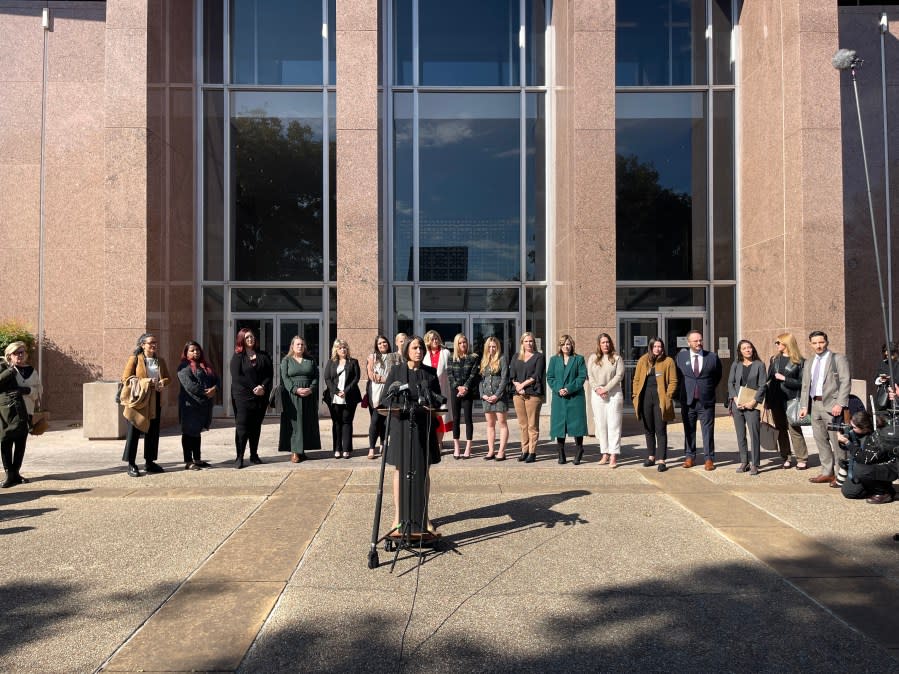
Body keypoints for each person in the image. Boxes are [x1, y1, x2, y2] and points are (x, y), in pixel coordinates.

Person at [383, 335, 442, 532]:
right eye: (415, 347)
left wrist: (430, 403)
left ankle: (424, 517)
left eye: (421, 348)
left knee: (423, 470)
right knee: (400, 469)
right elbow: (385, 399)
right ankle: (398, 517)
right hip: (402, 427)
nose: (419, 351)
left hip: (423, 428)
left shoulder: (430, 373)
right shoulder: (396, 371)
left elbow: (438, 401)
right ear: (407, 349)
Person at [799, 330, 851, 485]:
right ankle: (827, 472)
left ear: (826, 342)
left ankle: (842, 474)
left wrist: (840, 404)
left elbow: (845, 381)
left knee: (838, 441)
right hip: (815, 405)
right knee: (820, 440)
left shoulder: (838, 358)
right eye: (814, 343)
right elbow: (805, 385)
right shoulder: (809, 362)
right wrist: (803, 405)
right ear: (810, 344)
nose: (818, 346)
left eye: (821, 342)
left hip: (833, 405)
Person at [121, 332, 170, 477]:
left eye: (155, 342)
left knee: (153, 431)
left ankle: (150, 462)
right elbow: (125, 378)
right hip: (139, 400)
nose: (154, 345)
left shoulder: (160, 360)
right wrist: (146, 382)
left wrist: (163, 382)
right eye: (151, 343)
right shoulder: (135, 359)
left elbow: (168, 377)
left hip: (155, 398)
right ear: (143, 345)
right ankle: (131, 463)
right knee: (134, 431)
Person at [676, 330, 723, 470]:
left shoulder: (712, 357)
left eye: (700, 340)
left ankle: (709, 459)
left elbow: (717, 376)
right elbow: (678, 376)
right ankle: (689, 456)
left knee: (708, 430)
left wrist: (706, 388)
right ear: (688, 342)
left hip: (706, 401)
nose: (699, 343)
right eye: (695, 341)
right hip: (688, 401)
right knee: (688, 429)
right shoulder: (681, 356)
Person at [631, 338, 678, 472]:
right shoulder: (643, 360)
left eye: (660, 346)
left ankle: (662, 460)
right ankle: (651, 457)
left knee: (660, 429)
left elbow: (673, 381)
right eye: (655, 346)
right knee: (648, 429)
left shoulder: (668, 361)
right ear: (651, 347)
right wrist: (635, 395)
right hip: (645, 398)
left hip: (660, 400)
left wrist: (668, 396)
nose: (658, 349)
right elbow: (636, 379)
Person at [230, 328, 273, 469]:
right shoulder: (237, 357)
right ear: (242, 339)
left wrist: (262, 387)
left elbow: (269, 374)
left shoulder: (263, 355)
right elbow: (237, 377)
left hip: (260, 396)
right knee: (242, 427)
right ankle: (239, 457)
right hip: (242, 396)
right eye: (247, 337)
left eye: (252, 337)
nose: (250, 339)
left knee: (256, 426)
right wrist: (254, 387)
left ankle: (254, 455)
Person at [766, 332, 809, 469]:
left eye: (778, 342)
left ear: (786, 343)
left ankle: (802, 458)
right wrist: (767, 399)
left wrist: (785, 379)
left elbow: (803, 383)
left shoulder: (800, 361)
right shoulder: (774, 360)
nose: (776, 345)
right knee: (780, 429)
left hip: (791, 399)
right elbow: (769, 380)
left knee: (794, 429)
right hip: (776, 399)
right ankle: (786, 457)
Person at [0, 342, 40, 487]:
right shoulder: (4, 369)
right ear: (9, 355)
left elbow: (38, 390)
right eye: (17, 352)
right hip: (7, 413)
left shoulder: (32, 371)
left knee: (20, 443)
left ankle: (16, 473)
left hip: (26, 411)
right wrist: (10, 370)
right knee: (5, 442)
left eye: (22, 352)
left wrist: (26, 390)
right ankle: (8, 474)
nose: (20, 355)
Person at [727, 340, 767, 476]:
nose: (747, 350)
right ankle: (744, 462)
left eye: (749, 347)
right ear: (740, 351)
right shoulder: (736, 364)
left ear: (753, 349)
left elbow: (763, 385)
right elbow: (730, 383)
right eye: (744, 348)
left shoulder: (760, 365)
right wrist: (735, 398)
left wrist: (754, 401)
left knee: (754, 434)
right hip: (737, 403)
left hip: (752, 404)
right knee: (740, 434)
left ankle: (755, 464)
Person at [838, 410, 897, 504]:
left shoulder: (877, 437)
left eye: (854, 427)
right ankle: (873, 488)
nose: (851, 429)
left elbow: (863, 458)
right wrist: (845, 441)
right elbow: (854, 450)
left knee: (860, 469)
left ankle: (884, 492)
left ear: (865, 428)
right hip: (871, 469)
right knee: (849, 492)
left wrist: (848, 443)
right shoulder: (863, 432)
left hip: (886, 468)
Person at [177, 341, 218, 470]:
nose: (196, 352)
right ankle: (188, 461)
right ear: (186, 353)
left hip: (203, 406)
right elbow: (190, 386)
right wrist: (207, 393)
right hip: (190, 406)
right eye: (192, 350)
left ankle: (198, 459)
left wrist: (215, 388)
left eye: (197, 350)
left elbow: (216, 379)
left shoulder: (205, 366)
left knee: (197, 432)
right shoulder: (183, 367)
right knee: (189, 432)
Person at [547, 334, 588, 465]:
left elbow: (581, 377)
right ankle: (560, 453)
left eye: (568, 344)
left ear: (572, 345)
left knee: (576, 425)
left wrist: (568, 389)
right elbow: (550, 377)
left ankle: (579, 449)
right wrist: (559, 388)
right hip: (559, 397)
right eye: (564, 344)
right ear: (560, 346)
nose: (566, 346)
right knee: (560, 425)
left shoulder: (578, 359)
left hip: (574, 397)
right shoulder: (554, 360)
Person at [280, 335, 321, 463]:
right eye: (297, 344)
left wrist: (311, 389)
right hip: (292, 396)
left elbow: (316, 376)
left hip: (308, 395)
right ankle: (294, 452)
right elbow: (285, 378)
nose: (300, 346)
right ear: (292, 346)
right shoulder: (286, 360)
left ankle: (302, 450)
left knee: (306, 422)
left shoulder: (310, 360)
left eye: (302, 344)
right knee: (295, 423)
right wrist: (295, 389)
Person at [587, 333, 624, 467]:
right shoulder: (593, 358)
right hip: (597, 395)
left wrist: (606, 389)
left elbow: (619, 376)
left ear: (611, 343)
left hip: (614, 394)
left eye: (607, 342)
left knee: (614, 425)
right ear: (599, 344)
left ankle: (613, 455)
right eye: (603, 342)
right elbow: (590, 376)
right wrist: (598, 389)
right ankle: (605, 453)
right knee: (601, 425)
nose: (605, 345)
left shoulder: (616, 358)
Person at [323, 339, 361, 459]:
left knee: (347, 422)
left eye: (345, 347)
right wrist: (336, 391)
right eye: (340, 348)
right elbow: (327, 378)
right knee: (336, 423)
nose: (343, 350)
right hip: (334, 397)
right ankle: (337, 449)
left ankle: (347, 449)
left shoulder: (353, 362)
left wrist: (346, 391)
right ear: (336, 350)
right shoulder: (331, 362)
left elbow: (356, 378)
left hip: (349, 396)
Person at [510, 332, 545, 462]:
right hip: (518, 395)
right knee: (523, 425)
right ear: (522, 343)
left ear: (534, 343)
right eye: (526, 341)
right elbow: (512, 374)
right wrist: (517, 385)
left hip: (533, 394)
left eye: (531, 341)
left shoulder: (539, 357)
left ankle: (532, 452)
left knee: (532, 425)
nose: (529, 343)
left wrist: (522, 385)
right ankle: (524, 451)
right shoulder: (516, 356)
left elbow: (537, 375)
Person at [447, 333, 479, 459]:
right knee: (455, 418)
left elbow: (473, 374)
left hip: (468, 391)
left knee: (468, 419)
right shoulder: (451, 357)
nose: (462, 345)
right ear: (456, 344)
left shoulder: (473, 357)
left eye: (464, 342)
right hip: (455, 391)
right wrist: (458, 387)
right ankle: (456, 447)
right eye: (459, 343)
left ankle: (468, 447)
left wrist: (465, 387)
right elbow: (450, 374)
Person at [479, 336, 510, 461]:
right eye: (490, 346)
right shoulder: (484, 360)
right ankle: (491, 450)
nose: (492, 349)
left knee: (502, 424)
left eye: (494, 346)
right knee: (490, 424)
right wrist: (483, 395)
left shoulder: (502, 359)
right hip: (486, 398)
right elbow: (481, 380)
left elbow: (504, 379)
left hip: (499, 397)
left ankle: (501, 451)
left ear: (497, 347)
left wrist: (497, 395)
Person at [366, 335, 393, 460]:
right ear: (376, 345)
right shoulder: (373, 357)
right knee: (375, 420)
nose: (382, 345)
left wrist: (384, 380)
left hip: (389, 392)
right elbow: (371, 375)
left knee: (386, 421)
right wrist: (387, 380)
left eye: (384, 342)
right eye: (380, 343)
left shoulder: (394, 357)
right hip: (376, 391)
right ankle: (372, 448)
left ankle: (383, 444)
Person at [423, 330, 452, 445]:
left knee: (441, 417)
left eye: (436, 338)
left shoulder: (446, 353)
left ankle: (439, 443)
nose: (435, 341)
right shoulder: (424, 354)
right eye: (432, 339)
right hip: (429, 391)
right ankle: (432, 442)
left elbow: (450, 371)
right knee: (431, 417)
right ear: (428, 341)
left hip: (443, 388)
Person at [873, 342, 898, 411]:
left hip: (896, 395)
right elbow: (876, 378)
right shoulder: (883, 363)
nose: (886, 353)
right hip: (884, 397)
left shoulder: (897, 364)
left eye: (888, 351)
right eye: (884, 351)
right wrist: (881, 379)